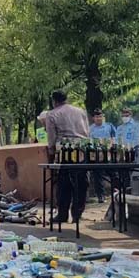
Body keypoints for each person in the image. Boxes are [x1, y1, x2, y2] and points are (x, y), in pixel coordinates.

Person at [45, 90, 90, 223]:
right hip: (82, 149)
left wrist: (52, 154)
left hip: (65, 150)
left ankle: (62, 214)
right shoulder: (81, 111)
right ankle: (77, 214)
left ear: (54, 101)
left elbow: (51, 137)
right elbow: (87, 131)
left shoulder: (52, 114)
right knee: (81, 182)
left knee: (64, 183)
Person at [89, 108, 116, 203]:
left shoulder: (109, 126)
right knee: (97, 175)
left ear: (103, 117)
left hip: (108, 153)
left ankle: (117, 191)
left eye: (100, 116)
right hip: (96, 155)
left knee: (113, 173)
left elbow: (114, 138)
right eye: (97, 116)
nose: (99, 118)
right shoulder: (90, 129)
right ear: (93, 118)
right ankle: (101, 195)